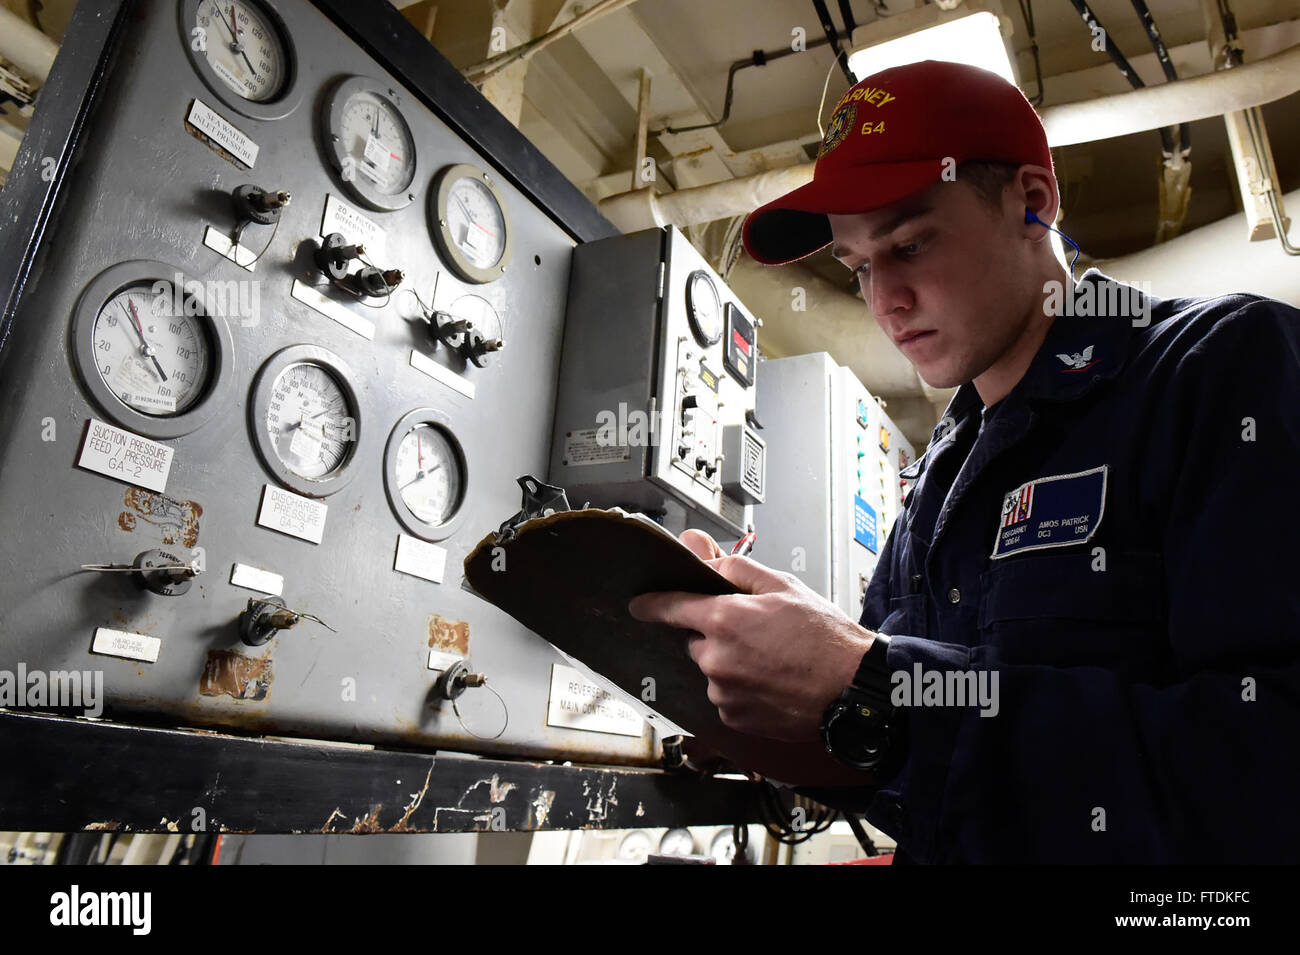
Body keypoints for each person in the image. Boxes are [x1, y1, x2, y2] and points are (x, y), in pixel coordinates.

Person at [626, 59, 1300, 863]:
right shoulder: (938, 481)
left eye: (909, 243)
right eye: (860, 266)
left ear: (1032, 202)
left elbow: (1269, 764)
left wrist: (881, 681)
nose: (884, 302)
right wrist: (764, 688)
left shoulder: (1218, 372)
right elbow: (901, 759)